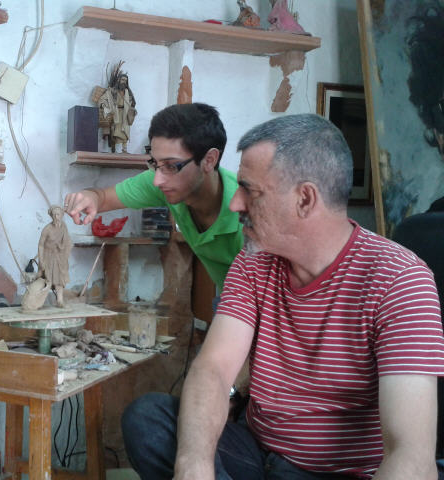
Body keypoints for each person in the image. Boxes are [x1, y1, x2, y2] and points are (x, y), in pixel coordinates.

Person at [121, 113, 444, 479]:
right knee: (149, 421)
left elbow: (410, 455)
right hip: (258, 454)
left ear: (305, 199)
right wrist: (194, 464)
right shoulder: (253, 261)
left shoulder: (398, 278)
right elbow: (214, 369)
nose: (235, 204)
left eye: (249, 190)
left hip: (340, 472)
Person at [64, 102, 244, 294]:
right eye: (154, 163)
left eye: (171, 166)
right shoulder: (165, 182)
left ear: (209, 160)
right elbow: (103, 197)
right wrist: (90, 197)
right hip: (229, 294)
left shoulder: (248, 216)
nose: (158, 180)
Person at [97, 61, 137, 153]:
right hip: (115, 112)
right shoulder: (112, 91)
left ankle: (124, 149)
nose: (124, 82)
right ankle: (113, 148)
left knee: (125, 131)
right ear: (118, 80)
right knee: (114, 131)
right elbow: (103, 99)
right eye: (122, 80)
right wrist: (103, 105)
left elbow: (132, 102)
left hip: (125, 113)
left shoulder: (128, 92)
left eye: (125, 80)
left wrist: (132, 107)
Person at [37, 205, 72, 307]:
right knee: (45, 279)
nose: (57, 217)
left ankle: (60, 300)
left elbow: (67, 241)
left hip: (59, 257)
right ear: (51, 216)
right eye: (54, 215)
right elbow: (40, 245)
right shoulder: (47, 229)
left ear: (62, 215)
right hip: (48, 256)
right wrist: (41, 260)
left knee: (59, 279)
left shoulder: (64, 227)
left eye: (58, 214)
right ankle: (37, 300)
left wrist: (66, 252)